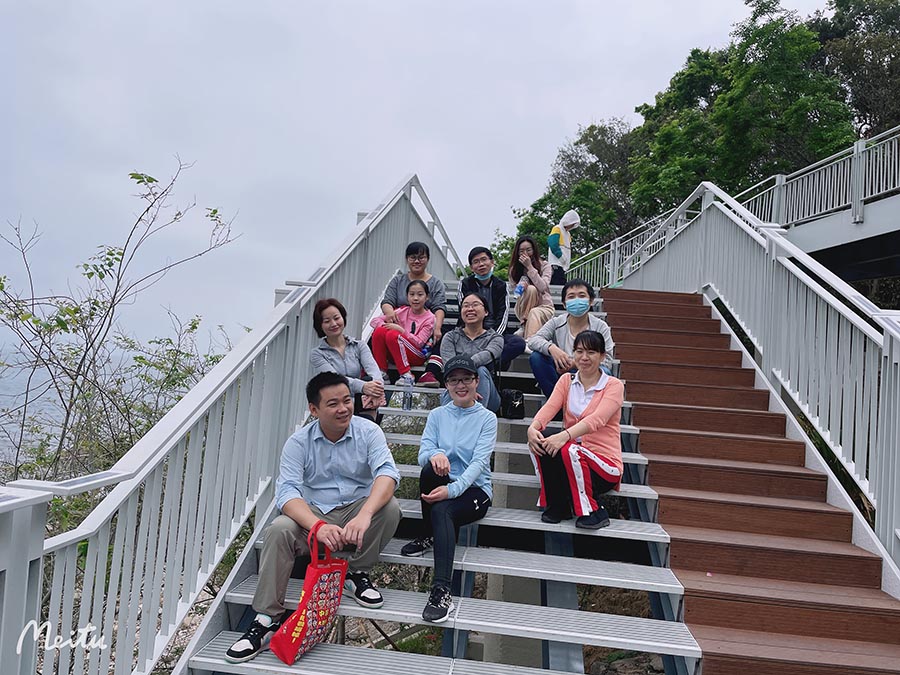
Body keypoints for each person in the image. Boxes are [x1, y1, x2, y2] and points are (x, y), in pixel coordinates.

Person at [225, 372, 402, 663]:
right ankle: (265, 620)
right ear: (314, 409)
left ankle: (356, 573)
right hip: (316, 513)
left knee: (390, 508)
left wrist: (365, 515)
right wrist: (317, 525)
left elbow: (387, 473)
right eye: (333, 404)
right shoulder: (298, 443)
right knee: (279, 528)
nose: (343, 409)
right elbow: (287, 493)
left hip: (355, 508)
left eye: (347, 400)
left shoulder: (369, 432)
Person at [400, 355, 497, 623]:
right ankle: (429, 534)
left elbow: (479, 463)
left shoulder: (487, 419)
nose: (460, 385)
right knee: (429, 469)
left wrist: (453, 490)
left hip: (474, 490)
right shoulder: (437, 415)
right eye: (454, 380)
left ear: (476, 382)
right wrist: (437, 454)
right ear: (446, 385)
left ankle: (442, 590)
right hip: (444, 482)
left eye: (466, 379)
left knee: (442, 510)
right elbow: (423, 454)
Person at [526, 331, 624, 530]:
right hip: (570, 458)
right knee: (543, 439)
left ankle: (594, 510)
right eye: (579, 351)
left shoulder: (613, 385)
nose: (584, 357)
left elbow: (597, 420)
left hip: (604, 465)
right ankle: (558, 505)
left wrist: (565, 435)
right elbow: (549, 408)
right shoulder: (566, 381)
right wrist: (533, 428)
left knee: (568, 448)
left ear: (602, 356)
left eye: (591, 352)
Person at [528, 279, 615, 399]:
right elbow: (533, 340)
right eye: (571, 296)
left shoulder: (600, 327)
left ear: (591, 301)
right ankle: (557, 402)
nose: (577, 300)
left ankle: (588, 406)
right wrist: (551, 348)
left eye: (582, 296)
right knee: (536, 357)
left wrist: (576, 363)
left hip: (587, 371)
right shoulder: (556, 322)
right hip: (560, 371)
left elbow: (607, 360)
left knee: (605, 372)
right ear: (564, 304)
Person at [379, 242, 447, 387]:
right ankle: (378, 372)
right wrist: (390, 313)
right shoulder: (398, 281)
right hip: (398, 324)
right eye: (412, 257)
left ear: (428, 259)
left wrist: (437, 327)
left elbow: (439, 307)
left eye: (421, 257)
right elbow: (387, 301)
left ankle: (429, 373)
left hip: (423, 330)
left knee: (443, 334)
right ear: (406, 259)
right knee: (379, 332)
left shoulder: (436, 283)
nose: (417, 261)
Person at [309, 298, 385, 419]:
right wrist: (363, 387)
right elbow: (335, 379)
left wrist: (377, 388)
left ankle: (370, 419)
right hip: (336, 403)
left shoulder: (359, 346)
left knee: (370, 379)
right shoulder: (317, 354)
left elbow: (374, 370)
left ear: (343, 318)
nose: (333, 324)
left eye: (336, 318)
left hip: (361, 402)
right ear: (320, 325)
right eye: (327, 321)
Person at [457, 246, 525, 368]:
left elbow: (503, 315)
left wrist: (493, 337)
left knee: (517, 343)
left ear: (492, 262)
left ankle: (484, 365)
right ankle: (486, 365)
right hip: (471, 330)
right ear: (471, 267)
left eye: (484, 259)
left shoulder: (501, 285)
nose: (481, 264)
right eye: (476, 262)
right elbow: (464, 312)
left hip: (494, 330)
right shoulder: (465, 284)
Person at [440, 293, 503, 413]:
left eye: (475, 305)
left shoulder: (495, 338)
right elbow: (450, 366)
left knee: (481, 370)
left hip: (488, 394)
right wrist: (466, 389)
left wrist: (471, 388)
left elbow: (484, 356)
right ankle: (446, 419)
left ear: (486, 312)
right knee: (453, 378)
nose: (470, 309)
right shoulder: (450, 337)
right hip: (457, 389)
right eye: (466, 306)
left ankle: (476, 417)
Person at [369, 279, 436, 390]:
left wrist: (401, 331)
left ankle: (407, 375)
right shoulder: (402, 310)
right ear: (407, 297)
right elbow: (374, 321)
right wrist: (385, 326)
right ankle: (382, 372)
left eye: (420, 295)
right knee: (379, 331)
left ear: (427, 297)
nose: (415, 298)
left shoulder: (430, 318)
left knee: (392, 334)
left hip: (416, 354)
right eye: (412, 294)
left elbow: (419, 343)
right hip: (396, 350)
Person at [508, 236, 555, 340]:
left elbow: (543, 287)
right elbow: (516, 293)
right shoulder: (514, 269)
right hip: (522, 306)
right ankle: (525, 326)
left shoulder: (545, 266)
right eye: (521, 251)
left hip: (543, 306)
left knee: (534, 311)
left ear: (534, 250)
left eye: (528, 250)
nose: (525, 254)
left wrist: (530, 267)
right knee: (530, 290)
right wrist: (521, 286)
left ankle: (525, 330)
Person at [547, 209, 581, 285]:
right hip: (556, 264)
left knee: (561, 284)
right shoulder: (557, 229)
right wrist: (561, 257)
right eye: (572, 223)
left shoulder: (568, 234)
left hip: (562, 266)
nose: (572, 226)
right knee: (558, 285)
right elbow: (553, 244)